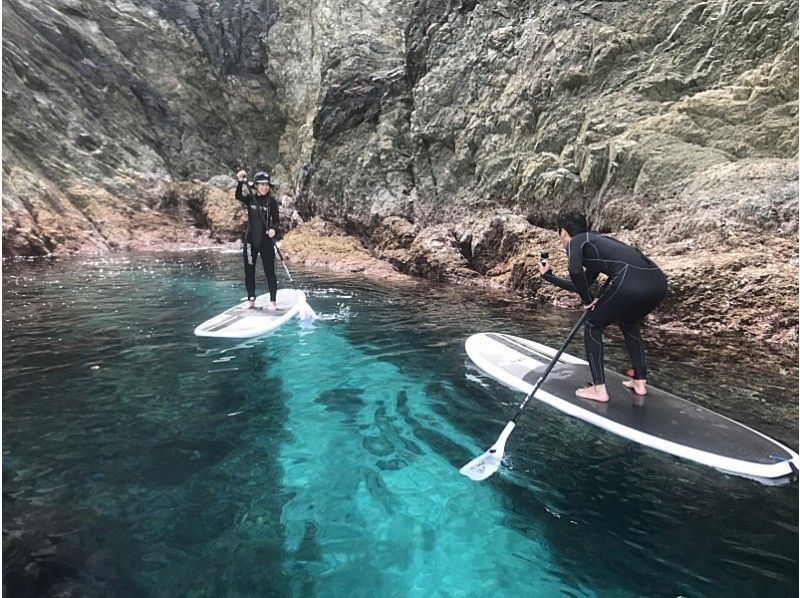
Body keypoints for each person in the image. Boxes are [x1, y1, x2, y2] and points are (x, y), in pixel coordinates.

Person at [538, 212, 667, 402]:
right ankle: (639, 381)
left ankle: (599, 390)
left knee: (592, 326)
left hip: (631, 281)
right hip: (658, 283)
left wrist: (587, 300)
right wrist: (548, 276)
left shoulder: (576, 242)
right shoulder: (596, 242)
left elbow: (575, 271)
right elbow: (582, 282)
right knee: (628, 322)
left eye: (559, 234)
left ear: (563, 232)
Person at [235, 169, 281, 310]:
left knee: (269, 271)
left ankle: (272, 301)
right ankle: (251, 300)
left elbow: (277, 222)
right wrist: (240, 182)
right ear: (255, 185)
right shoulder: (250, 199)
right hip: (250, 241)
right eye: (261, 184)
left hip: (266, 241)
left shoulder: (271, 202)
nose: (264, 187)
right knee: (249, 271)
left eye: (266, 184)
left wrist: (273, 229)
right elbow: (237, 196)